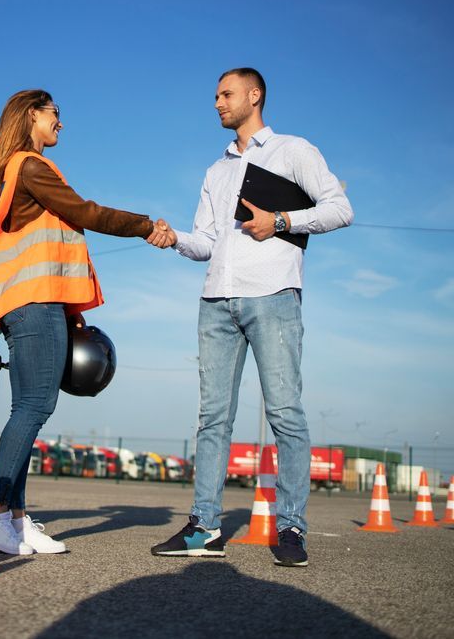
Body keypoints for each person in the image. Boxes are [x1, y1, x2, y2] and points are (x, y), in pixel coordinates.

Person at [148, 68, 353, 567]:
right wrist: (174, 238)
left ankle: (291, 528)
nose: (217, 103)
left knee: (285, 413)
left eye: (226, 94)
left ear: (254, 96)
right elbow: (208, 242)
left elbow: (340, 209)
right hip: (216, 301)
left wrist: (280, 221)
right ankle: (205, 526)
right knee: (212, 418)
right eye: (216, 96)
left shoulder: (292, 151)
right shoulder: (215, 171)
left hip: (274, 296)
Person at [0, 89, 165, 555]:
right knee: (35, 407)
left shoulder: (16, 169)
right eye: (56, 113)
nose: (61, 122)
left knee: (28, 408)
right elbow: (85, 212)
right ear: (32, 114)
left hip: (30, 303)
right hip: (33, 303)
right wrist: (144, 225)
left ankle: (16, 521)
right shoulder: (31, 166)